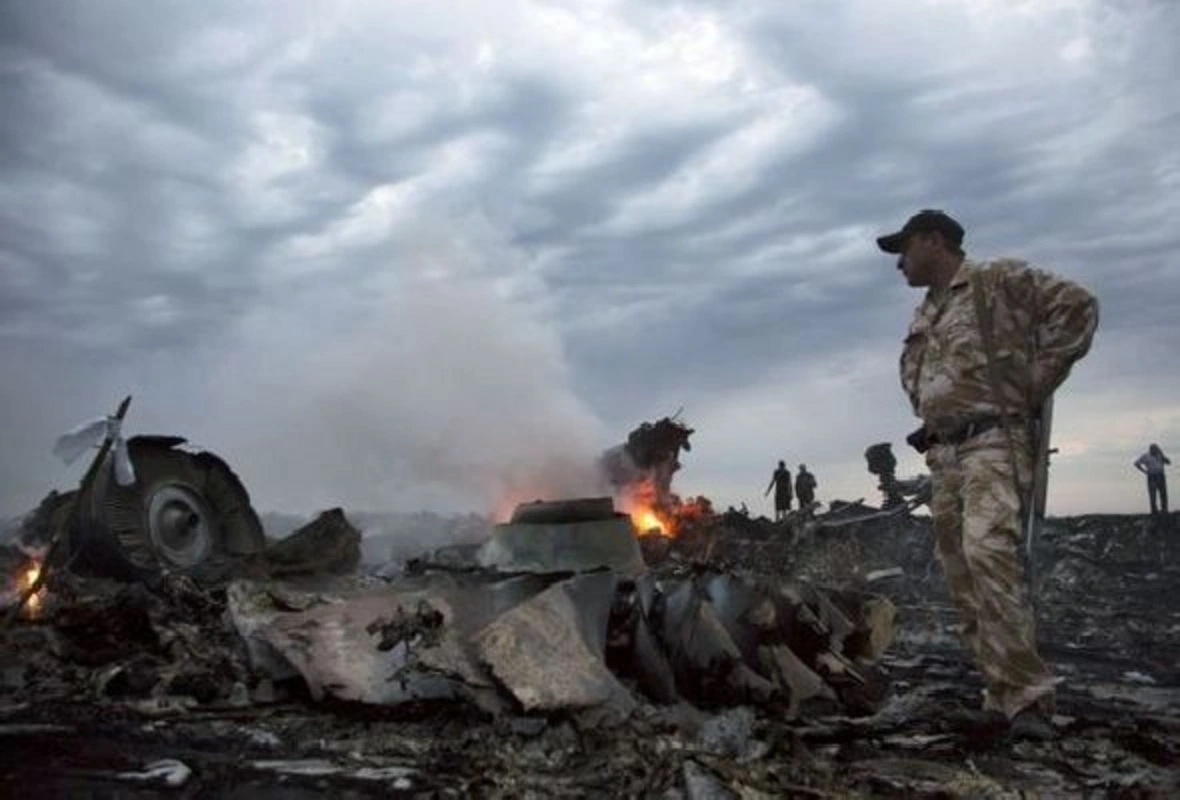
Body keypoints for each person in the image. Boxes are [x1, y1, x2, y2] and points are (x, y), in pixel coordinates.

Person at [878, 209, 1098, 739]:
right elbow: (925, 378)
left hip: (993, 443)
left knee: (990, 554)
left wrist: (1032, 384)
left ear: (934, 240)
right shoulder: (925, 311)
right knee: (961, 572)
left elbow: (1078, 307)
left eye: (904, 250)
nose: (899, 263)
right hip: (946, 454)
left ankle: (1028, 698)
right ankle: (999, 693)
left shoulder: (997, 280)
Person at [1134, 444, 1171, 516]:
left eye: (1156, 449)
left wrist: (1162, 455)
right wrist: (1144, 471)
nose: (1155, 450)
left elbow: (1168, 462)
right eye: (1153, 449)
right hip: (1152, 476)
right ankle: (1154, 511)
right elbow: (1136, 463)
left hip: (1160, 475)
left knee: (1163, 493)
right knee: (1152, 494)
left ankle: (1164, 510)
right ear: (1150, 449)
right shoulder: (1146, 456)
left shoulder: (1160, 456)